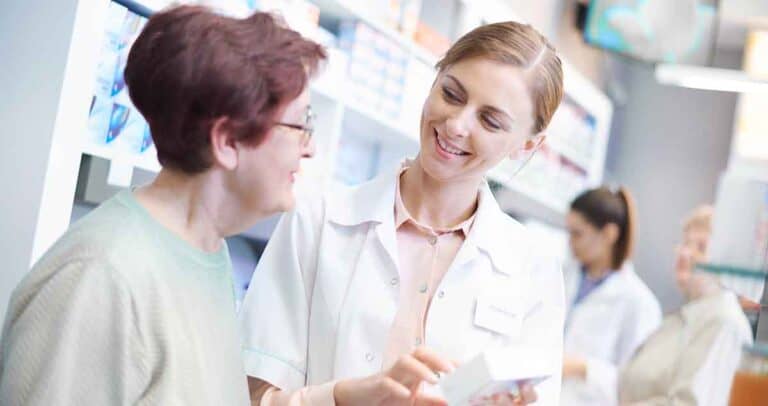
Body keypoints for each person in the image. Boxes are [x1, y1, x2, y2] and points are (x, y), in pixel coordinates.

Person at [0, 6, 325, 405]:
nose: (310, 148)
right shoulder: (100, 278)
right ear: (227, 141)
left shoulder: (207, 251)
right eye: (299, 125)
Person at [238, 21, 566, 406]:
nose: (456, 125)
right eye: (451, 94)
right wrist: (342, 398)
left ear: (526, 146)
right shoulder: (318, 219)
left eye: (490, 121)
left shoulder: (535, 271)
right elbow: (250, 395)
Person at [618, 205, 754, 405]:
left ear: (725, 262)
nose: (685, 253)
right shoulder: (683, 318)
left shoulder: (724, 323)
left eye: (701, 247)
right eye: (685, 243)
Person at [560, 187, 662, 406]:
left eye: (577, 234)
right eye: (568, 232)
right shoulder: (560, 276)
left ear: (609, 234)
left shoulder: (639, 302)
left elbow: (637, 385)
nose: (570, 243)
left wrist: (582, 367)